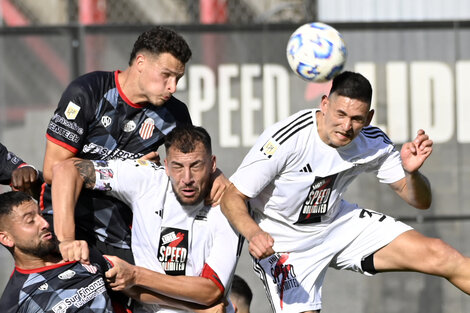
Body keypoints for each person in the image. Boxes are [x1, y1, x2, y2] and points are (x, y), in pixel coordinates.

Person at [220, 71, 470, 313]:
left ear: (369, 118)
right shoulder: (286, 140)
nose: (346, 126)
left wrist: (411, 173)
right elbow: (232, 196)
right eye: (340, 114)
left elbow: (420, 201)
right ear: (325, 104)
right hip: (284, 244)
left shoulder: (372, 142)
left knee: (440, 254)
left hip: (337, 224)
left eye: (357, 119)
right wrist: (254, 234)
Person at [41, 26, 228, 264]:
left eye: (178, 78)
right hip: (63, 223)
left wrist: (216, 176)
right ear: (140, 62)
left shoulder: (174, 113)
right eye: (166, 75)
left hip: (117, 231)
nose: (173, 87)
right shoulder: (88, 92)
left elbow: (189, 158)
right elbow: (52, 169)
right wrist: (127, 167)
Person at [51, 125, 241, 312]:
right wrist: (66, 240)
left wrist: (135, 275)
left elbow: (211, 292)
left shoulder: (228, 207)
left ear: (213, 164)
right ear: (166, 166)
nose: (187, 178)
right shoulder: (148, 179)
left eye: (196, 166)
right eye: (177, 166)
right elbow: (66, 169)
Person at [0, 191, 130, 313]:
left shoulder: (81, 253)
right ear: (6, 238)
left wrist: (132, 275)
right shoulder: (15, 303)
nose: (44, 223)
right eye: (30, 221)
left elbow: (133, 293)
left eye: (40, 214)